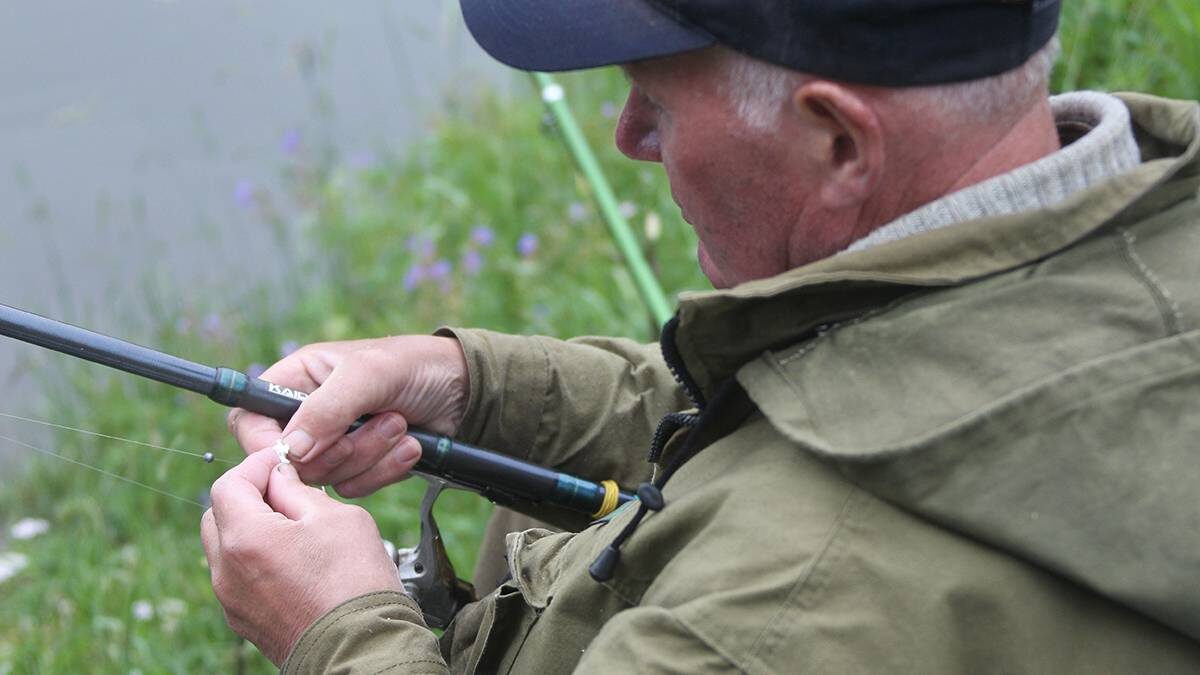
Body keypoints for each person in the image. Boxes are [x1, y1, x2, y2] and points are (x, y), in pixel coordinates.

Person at [201, 0, 1200, 671]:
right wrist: (467, 382)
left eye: (658, 94)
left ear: (841, 142)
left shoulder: (771, 621)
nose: (629, 135)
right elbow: (867, 392)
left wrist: (340, 630)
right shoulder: (1133, 245)